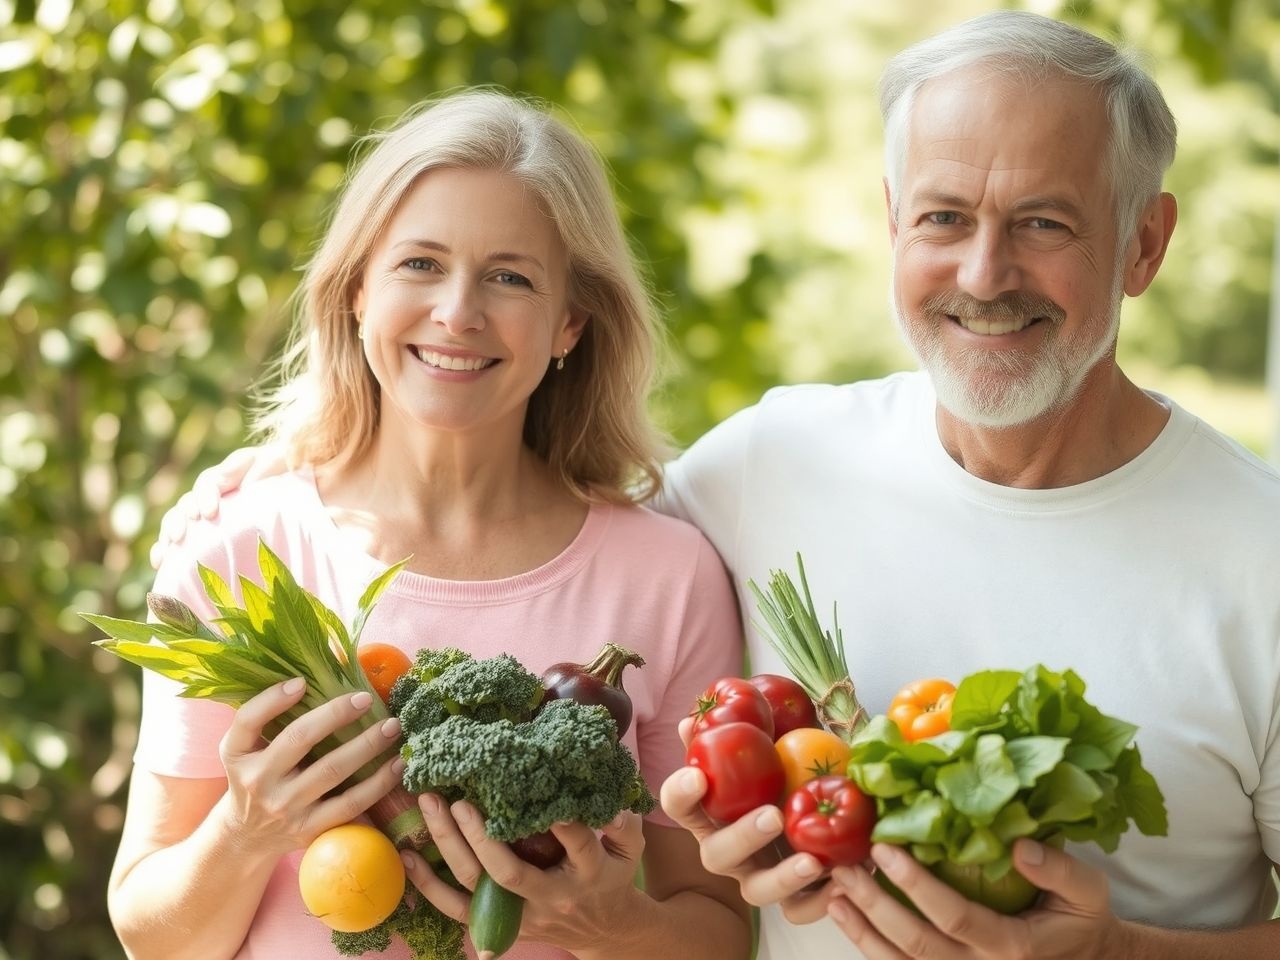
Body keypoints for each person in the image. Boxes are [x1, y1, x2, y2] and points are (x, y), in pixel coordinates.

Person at [155, 12, 1280, 959]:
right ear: (894, 223)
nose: (983, 274)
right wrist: (285, 474)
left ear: (1144, 244)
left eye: (1043, 223)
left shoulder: (1260, 553)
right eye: (944, 217)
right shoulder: (767, 467)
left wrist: (1121, 954)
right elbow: (520, 515)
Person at [109, 90, 750, 960]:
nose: (458, 312)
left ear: (569, 323)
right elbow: (152, 939)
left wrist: (613, 926)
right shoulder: (237, 552)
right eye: (420, 263)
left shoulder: (667, 576)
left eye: (510, 277)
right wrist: (244, 832)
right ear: (357, 291)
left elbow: (719, 930)